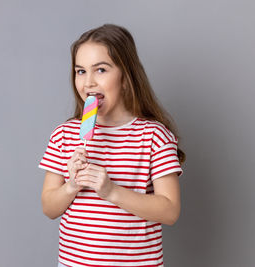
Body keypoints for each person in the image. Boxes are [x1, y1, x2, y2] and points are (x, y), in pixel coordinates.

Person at [39, 23, 186, 267]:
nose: (88, 83)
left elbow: (170, 211)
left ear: (126, 77)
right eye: (81, 71)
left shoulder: (154, 136)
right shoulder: (64, 135)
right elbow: (49, 207)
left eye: (101, 70)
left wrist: (111, 191)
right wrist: (71, 186)